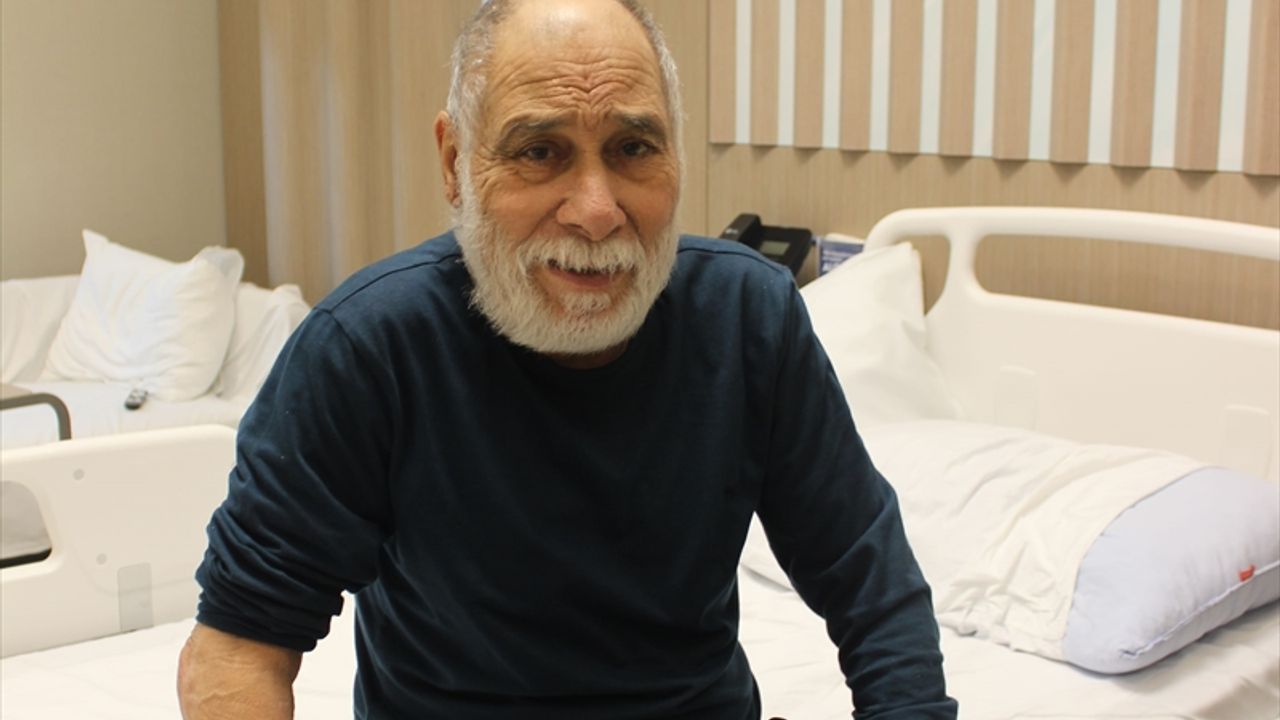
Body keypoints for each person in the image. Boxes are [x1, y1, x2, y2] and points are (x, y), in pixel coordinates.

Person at [177, 0, 958, 717]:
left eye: (633, 148)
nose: (596, 211)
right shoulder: (370, 349)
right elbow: (239, 649)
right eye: (540, 151)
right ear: (454, 163)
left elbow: (871, 584)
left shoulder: (748, 321)